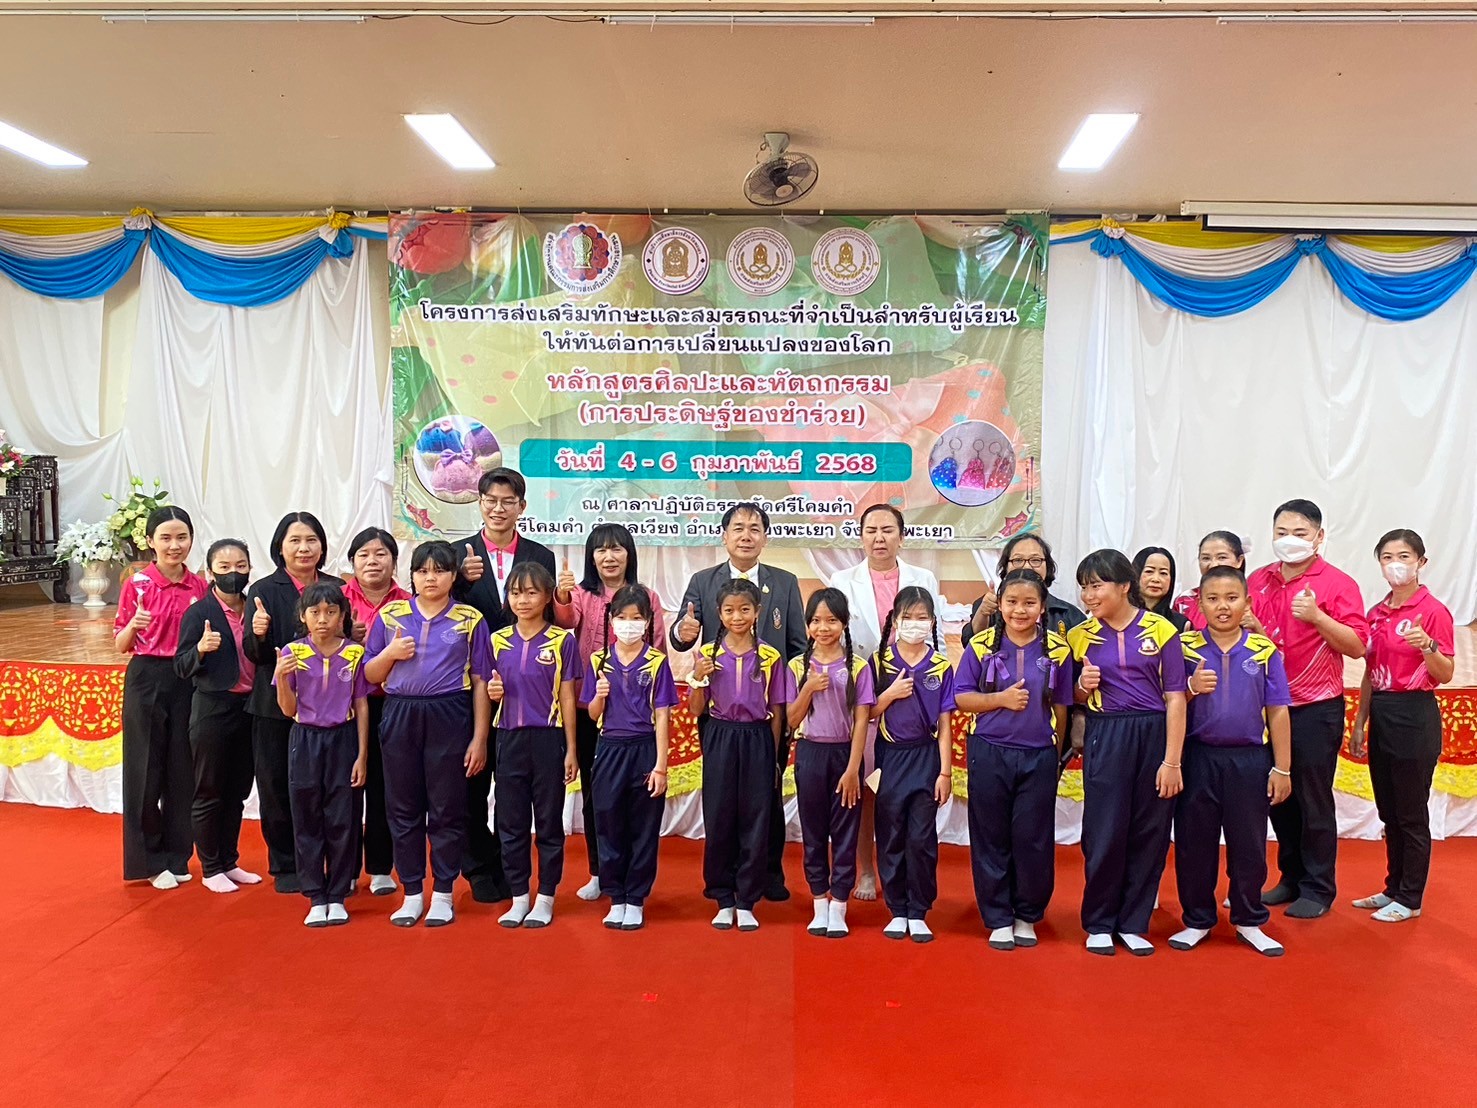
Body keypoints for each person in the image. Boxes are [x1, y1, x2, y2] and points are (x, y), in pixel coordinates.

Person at [671, 502, 806, 902]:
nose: (746, 535)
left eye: (754, 528)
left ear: (765, 537)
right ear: (724, 535)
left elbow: (797, 645)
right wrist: (682, 630)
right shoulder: (703, 580)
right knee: (723, 798)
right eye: (738, 528)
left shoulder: (785, 582)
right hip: (719, 713)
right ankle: (723, 878)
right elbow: (683, 634)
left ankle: (768, 875)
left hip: (768, 711)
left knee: (767, 794)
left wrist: (794, 699)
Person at [1246, 499, 1369, 919]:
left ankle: (1318, 888)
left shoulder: (1337, 583)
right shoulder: (1259, 580)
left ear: (1319, 537)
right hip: (1266, 708)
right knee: (1279, 798)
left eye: (1299, 533)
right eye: (1281, 532)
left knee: (1313, 799)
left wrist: (1318, 617)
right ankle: (1290, 877)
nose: (1289, 540)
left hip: (1315, 707)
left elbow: (1358, 646)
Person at [365, 541, 493, 929]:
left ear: (454, 576)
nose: (430, 578)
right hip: (400, 713)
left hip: (450, 713)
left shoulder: (470, 619)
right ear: (412, 576)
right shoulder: (391, 615)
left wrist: (480, 738)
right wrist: (390, 654)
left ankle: (442, 893)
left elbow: (481, 680)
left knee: (446, 807)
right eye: (422, 571)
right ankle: (412, 892)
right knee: (402, 807)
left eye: (439, 571)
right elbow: (369, 674)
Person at [1067, 549, 1187, 957]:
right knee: (1104, 830)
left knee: (1150, 831)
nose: (1088, 595)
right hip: (1106, 733)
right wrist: (1082, 686)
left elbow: (1176, 697)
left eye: (1096, 585)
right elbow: (1072, 696)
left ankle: (1134, 922)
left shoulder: (1162, 630)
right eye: (1084, 587)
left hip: (1153, 732)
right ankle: (1100, 922)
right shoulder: (1079, 635)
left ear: (1124, 586)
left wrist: (1172, 760)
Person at [1171, 566, 1293, 957]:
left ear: (1247, 602)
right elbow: (1167, 701)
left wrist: (1282, 768)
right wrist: (1191, 688)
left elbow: (1278, 710)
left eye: (1231, 598)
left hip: (1249, 759)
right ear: (1200, 603)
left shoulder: (1264, 651)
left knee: (1249, 843)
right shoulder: (1184, 648)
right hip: (1197, 757)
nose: (1222, 606)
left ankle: (1248, 918)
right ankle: (1197, 919)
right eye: (1212, 599)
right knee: (1194, 843)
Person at [828, 503, 942, 902]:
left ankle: (905, 874)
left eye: (888, 530)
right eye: (871, 530)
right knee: (864, 791)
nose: (879, 538)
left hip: (911, 696)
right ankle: (865, 870)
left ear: (901, 536)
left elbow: (936, 638)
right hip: (864, 694)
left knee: (902, 794)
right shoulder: (842, 580)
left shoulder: (923, 578)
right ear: (860, 536)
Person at [453, 467, 556, 905]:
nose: (498, 509)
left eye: (508, 501)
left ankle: (517, 872)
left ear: (522, 507)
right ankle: (479, 867)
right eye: (490, 500)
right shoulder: (457, 554)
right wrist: (460, 580)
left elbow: (547, 617)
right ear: (479, 503)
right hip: (469, 686)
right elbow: (438, 606)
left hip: (526, 689)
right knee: (472, 781)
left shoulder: (540, 555)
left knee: (518, 789)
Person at [955, 570, 1071, 951]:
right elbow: (962, 698)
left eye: (1029, 603)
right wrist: (999, 700)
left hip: (1038, 755)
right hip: (990, 752)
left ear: (1042, 607)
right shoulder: (980, 646)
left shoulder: (1058, 650)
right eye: (1012, 602)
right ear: (1000, 605)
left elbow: (1062, 707)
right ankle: (998, 917)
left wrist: (1055, 754)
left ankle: (1027, 914)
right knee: (990, 836)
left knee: (1032, 838)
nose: (1020, 610)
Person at [555, 522, 667, 904]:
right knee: (597, 798)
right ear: (592, 557)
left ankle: (633, 880)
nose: (609, 556)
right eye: (601, 549)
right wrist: (562, 593)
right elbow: (565, 621)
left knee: (636, 802)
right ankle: (599, 871)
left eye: (617, 548)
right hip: (592, 710)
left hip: (636, 718)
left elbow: (658, 649)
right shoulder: (581, 594)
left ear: (629, 554)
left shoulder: (647, 597)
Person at [1349, 529, 1456, 923]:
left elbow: (1445, 673)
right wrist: (1360, 721)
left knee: (1410, 812)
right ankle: (1393, 888)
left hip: (1414, 714)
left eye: (1405, 556)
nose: (1396, 564)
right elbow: (1369, 671)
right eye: (1388, 557)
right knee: (1389, 810)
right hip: (1381, 711)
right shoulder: (1376, 613)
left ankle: (1410, 898)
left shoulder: (1433, 611)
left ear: (1421, 562)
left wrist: (1427, 645)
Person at [242, 511, 344, 894]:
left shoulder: (337, 587)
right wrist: (258, 633)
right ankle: (286, 863)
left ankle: (334, 864)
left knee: (327, 790)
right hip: (274, 707)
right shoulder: (263, 590)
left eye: (311, 540)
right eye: (295, 541)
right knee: (276, 786)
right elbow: (255, 655)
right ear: (280, 547)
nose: (304, 548)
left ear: (322, 546)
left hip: (328, 709)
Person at [688, 578, 792, 932]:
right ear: (719, 613)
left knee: (755, 818)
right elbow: (695, 709)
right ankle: (723, 896)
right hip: (720, 735)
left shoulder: (770, 656)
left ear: (757, 612)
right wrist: (698, 678)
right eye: (730, 610)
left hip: (758, 737)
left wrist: (773, 757)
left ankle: (747, 899)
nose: (737, 617)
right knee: (719, 816)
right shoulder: (707, 654)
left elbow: (777, 711)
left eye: (745, 609)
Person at [115, 506, 209, 887]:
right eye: (166, 538)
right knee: (144, 769)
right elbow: (121, 644)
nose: (174, 545)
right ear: (150, 541)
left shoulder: (200, 586)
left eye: (181, 537)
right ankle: (148, 861)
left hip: (188, 677)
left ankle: (177, 855)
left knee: (182, 770)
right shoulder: (137, 585)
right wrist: (134, 626)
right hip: (147, 678)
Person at [488, 562, 582, 930]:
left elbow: (568, 696)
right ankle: (518, 897)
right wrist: (492, 692)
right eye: (515, 593)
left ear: (546, 598)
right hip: (508, 738)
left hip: (548, 739)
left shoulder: (562, 641)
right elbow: (486, 688)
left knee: (548, 823)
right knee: (510, 823)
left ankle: (545, 897)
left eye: (531, 592)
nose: (522, 600)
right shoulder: (496, 640)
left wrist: (571, 748)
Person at [274, 583, 370, 927]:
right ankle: (316, 895)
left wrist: (362, 755)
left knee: (343, 818)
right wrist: (282, 678)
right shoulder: (292, 652)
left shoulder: (355, 653)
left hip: (343, 738)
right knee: (307, 816)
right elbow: (288, 710)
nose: (323, 619)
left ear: (343, 615)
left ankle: (339, 893)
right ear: (303, 616)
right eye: (315, 612)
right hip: (305, 739)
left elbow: (361, 704)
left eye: (331, 612)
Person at [582, 584, 677, 931]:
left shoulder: (657, 662)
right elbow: (592, 714)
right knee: (608, 824)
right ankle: (616, 897)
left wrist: (660, 766)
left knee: (643, 828)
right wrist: (599, 696)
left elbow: (663, 715)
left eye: (636, 618)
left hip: (644, 748)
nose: (628, 624)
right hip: (609, 748)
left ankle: (635, 898)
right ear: (611, 621)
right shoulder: (598, 660)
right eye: (622, 617)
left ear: (647, 621)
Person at [174, 538, 261, 894]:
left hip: (250, 708)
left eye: (240, 566)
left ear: (250, 568)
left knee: (237, 791)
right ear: (210, 572)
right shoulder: (199, 613)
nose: (233, 573)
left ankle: (229, 860)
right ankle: (210, 867)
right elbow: (181, 666)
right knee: (210, 790)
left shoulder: (256, 607)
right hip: (213, 708)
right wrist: (200, 649)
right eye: (224, 567)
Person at [787, 588, 875, 939]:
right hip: (810, 754)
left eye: (831, 620)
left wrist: (853, 769)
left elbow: (862, 720)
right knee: (812, 832)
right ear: (807, 625)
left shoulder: (858, 666)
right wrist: (808, 688)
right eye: (816, 621)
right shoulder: (797, 666)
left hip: (845, 756)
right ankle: (819, 901)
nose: (823, 628)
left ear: (844, 623)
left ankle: (839, 903)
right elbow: (791, 719)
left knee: (845, 833)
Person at [871, 586, 955, 944]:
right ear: (895, 620)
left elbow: (946, 723)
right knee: (891, 834)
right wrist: (889, 695)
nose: (915, 623)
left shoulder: (941, 666)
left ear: (932, 622)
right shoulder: (879, 662)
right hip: (890, 758)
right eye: (908, 617)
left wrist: (945, 772)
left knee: (921, 838)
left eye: (922, 617)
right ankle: (897, 909)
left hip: (926, 758)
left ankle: (918, 910)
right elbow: (865, 714)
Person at [343, 527, 411, 897]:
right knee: (346, 788)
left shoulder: (409, 603)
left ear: (394, 562)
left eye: (381, 553)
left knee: (387, 787)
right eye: (364, 554)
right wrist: (345, 637)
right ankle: (346, 868)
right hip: (343, 706)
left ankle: (382, 867)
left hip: (391, 703)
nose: (372, 561)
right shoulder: (336, 600)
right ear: (352, 562)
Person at [961, 534, 1088, 647]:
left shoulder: (1069, 615)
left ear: (1048, 566)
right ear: (1005, 567)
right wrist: (983, 613)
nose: (1027, 566)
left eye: (1035, 560)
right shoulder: (988, 606)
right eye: (1018, 560)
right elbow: (970, 646)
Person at [1173, 531, 1247, 631]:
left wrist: (1256, 626)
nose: (1213, 564)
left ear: (1239, 561)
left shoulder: (1257, 599)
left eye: (1222, 557)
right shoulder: (1184, 600)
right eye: (1206, 558)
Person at [1133, 546, 1189, 632]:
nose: (1156, 579)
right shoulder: (1120, 617)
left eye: (1163, 573)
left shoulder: (1181, 624)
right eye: (1149, 571)